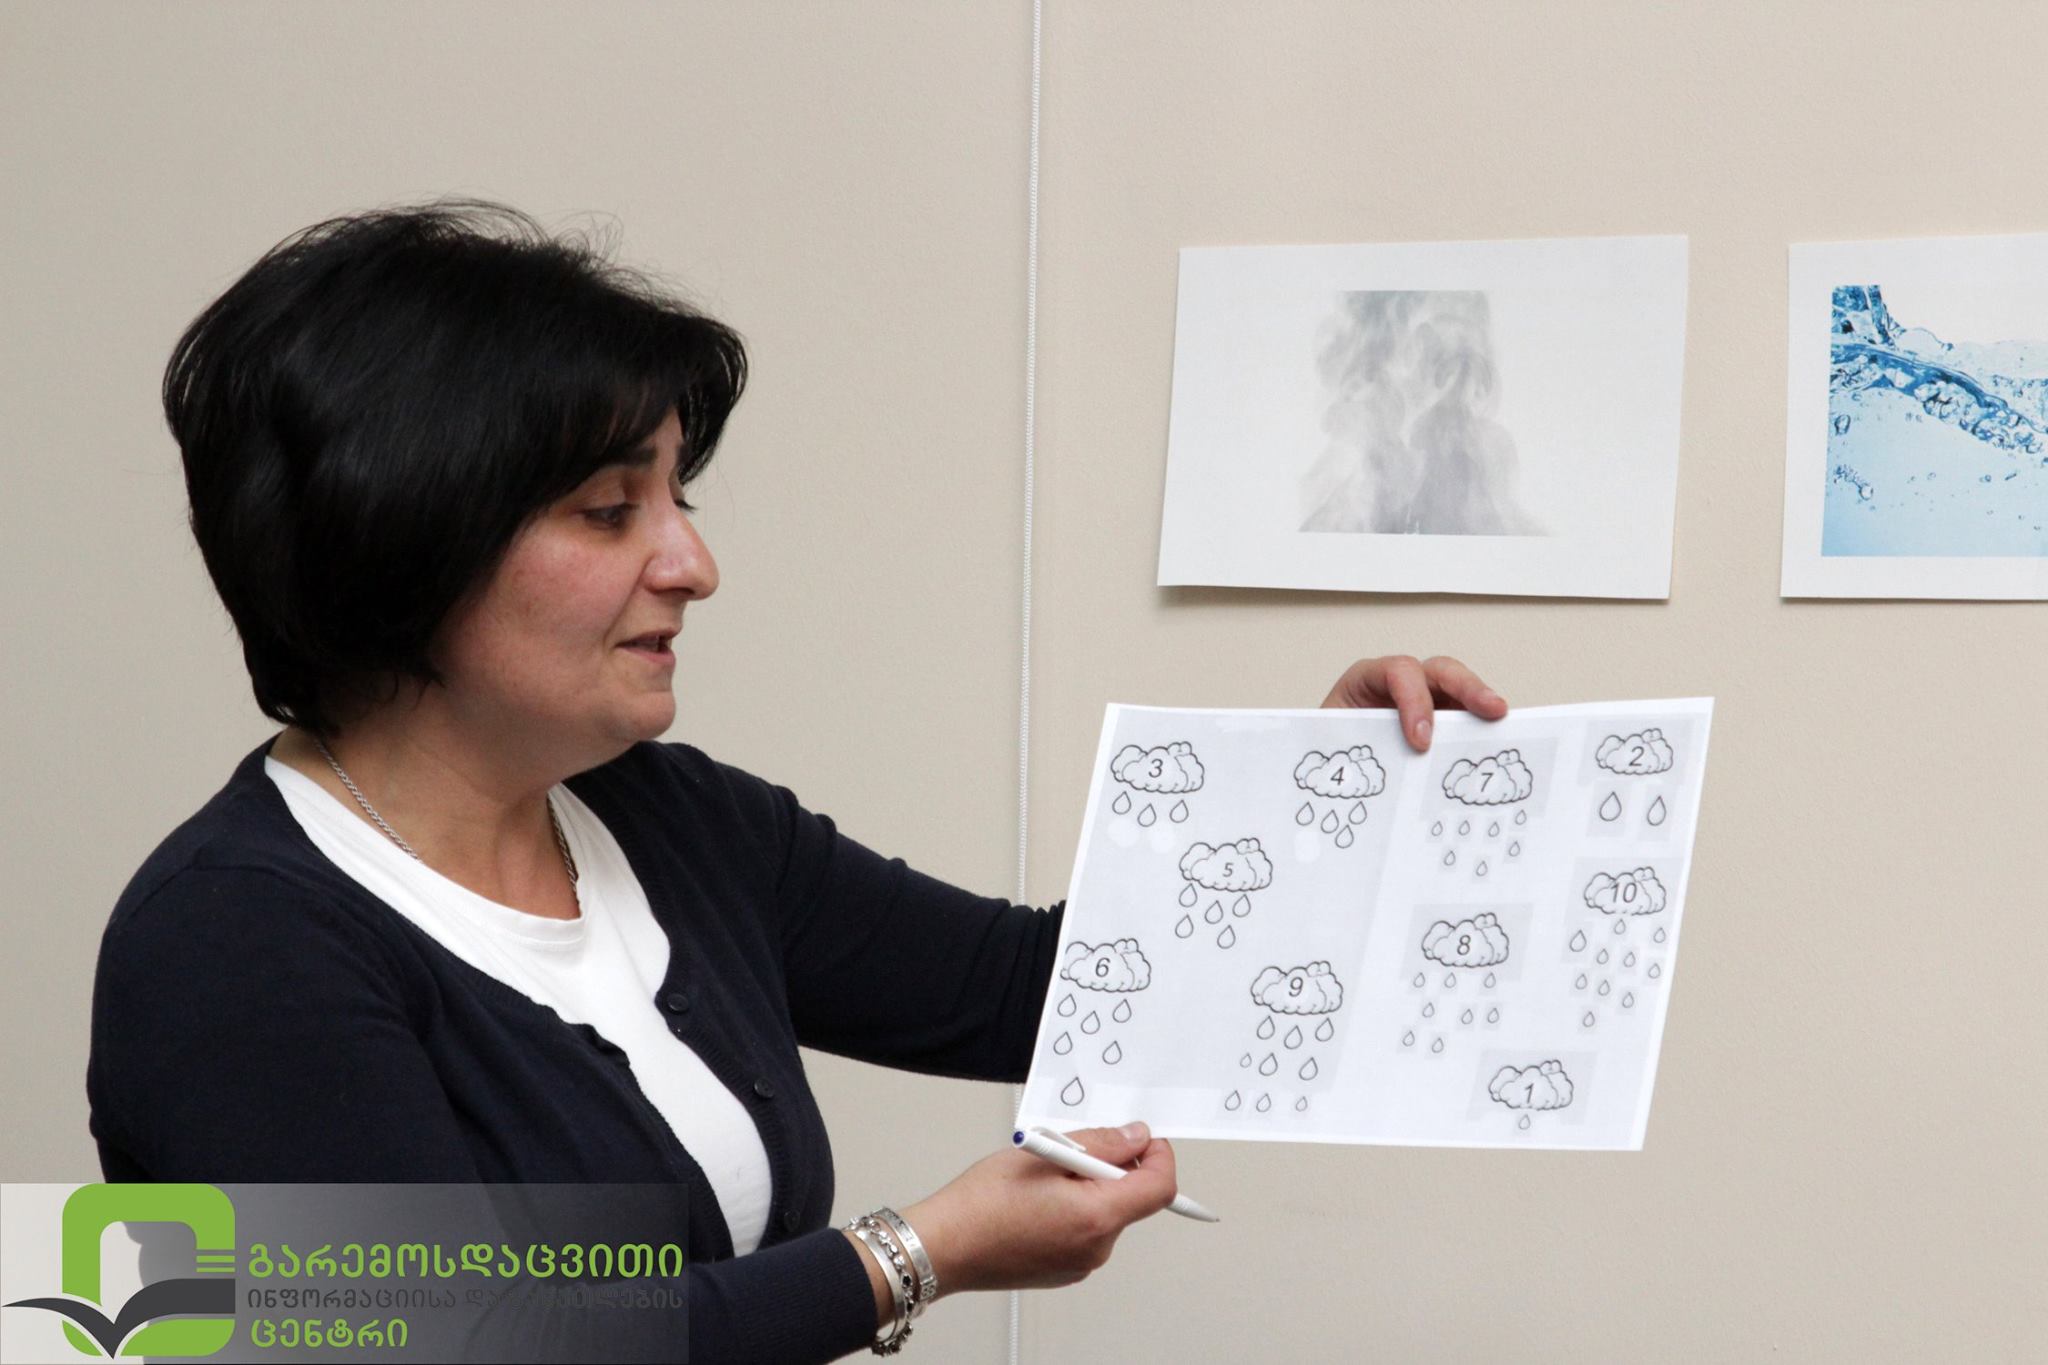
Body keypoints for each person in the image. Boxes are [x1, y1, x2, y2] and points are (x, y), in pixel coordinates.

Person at [86, 199, 1509, 1362]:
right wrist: (914, 1253)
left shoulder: (670, 817)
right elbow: (467, 1340)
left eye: (679, 497)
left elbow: (1045, 986)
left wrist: (1328, 802)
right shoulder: (229, 942)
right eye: (610, 510)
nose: (692, 563)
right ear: (402, 541)